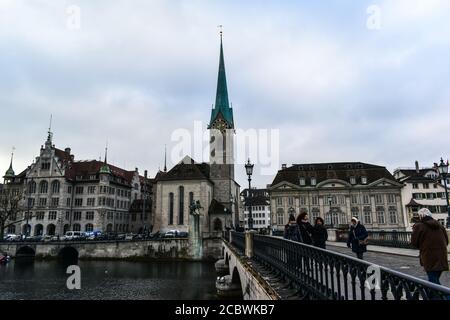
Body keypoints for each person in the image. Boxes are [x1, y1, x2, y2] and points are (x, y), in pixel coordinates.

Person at [411, 208, 449, 285]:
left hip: (429, 257)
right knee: (434, 280)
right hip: (442, 257)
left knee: (433, 282)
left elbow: (414, 242)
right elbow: (447, 241)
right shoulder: (440, 226)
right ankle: (432, 296)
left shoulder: (419, 226)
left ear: (420, 217)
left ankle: (447, 296)